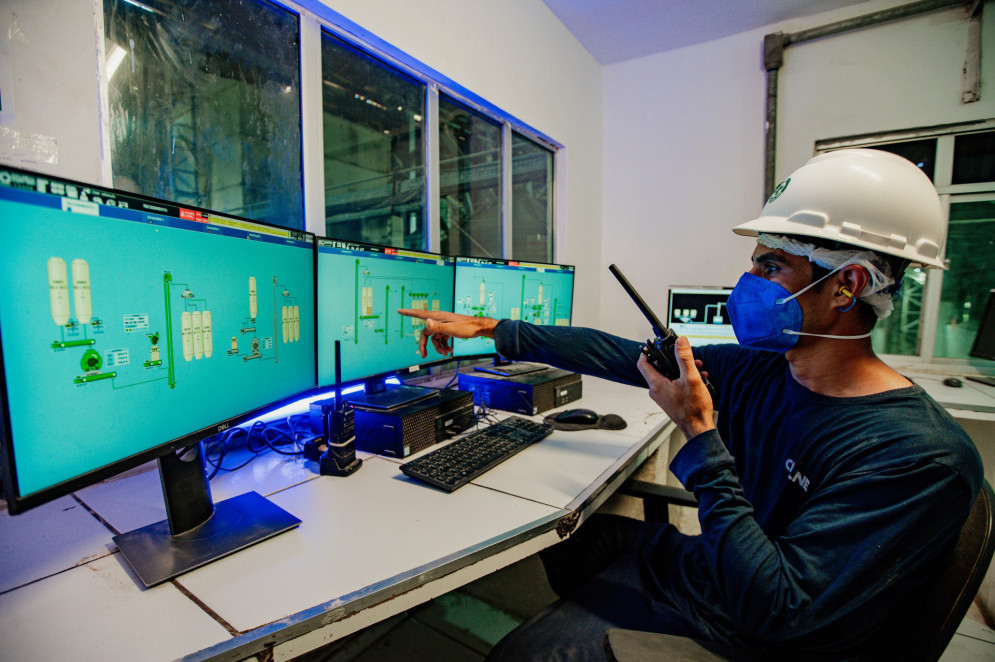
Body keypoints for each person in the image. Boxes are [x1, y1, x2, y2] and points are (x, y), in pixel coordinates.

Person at [398, 149, 984, 661]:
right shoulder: (766, 370)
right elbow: (627, 354)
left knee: (520, 656)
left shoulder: (917, 455)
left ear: (846, 287)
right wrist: (494, 329)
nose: (747, 280)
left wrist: (699, 433)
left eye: (771, 265)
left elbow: (779, 612)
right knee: (577, 538)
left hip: (760, 632)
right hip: (719, 571)